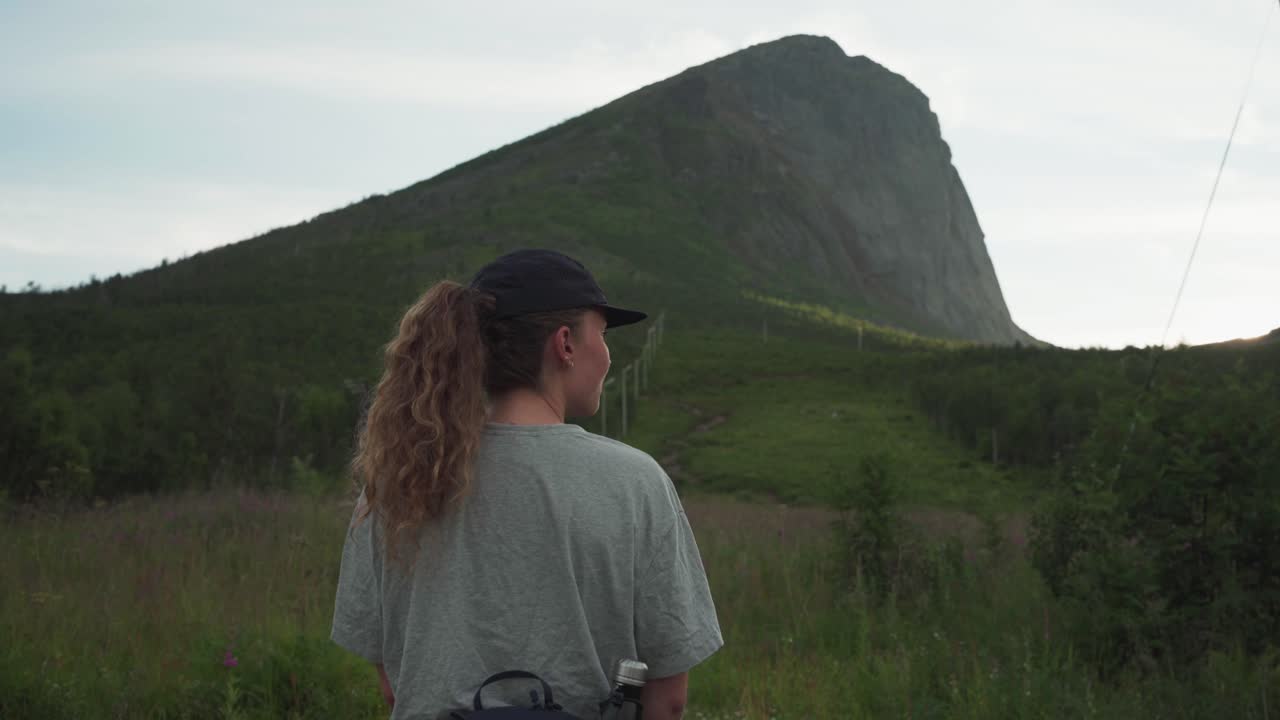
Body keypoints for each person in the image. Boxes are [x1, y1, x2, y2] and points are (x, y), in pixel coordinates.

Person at [330, 249, 722, 719]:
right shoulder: (636, 483)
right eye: (601, 333)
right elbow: (668, 698)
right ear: (565, 344)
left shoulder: (401, 481)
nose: (608, 355)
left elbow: (396, 684)